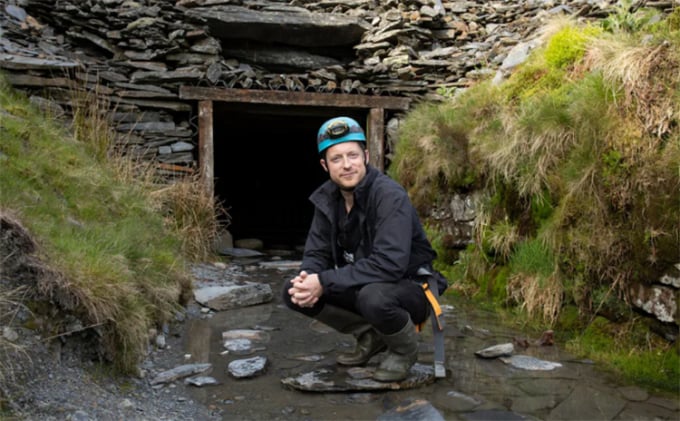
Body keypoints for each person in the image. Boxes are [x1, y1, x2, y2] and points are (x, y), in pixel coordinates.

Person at [282, 116, 448, 382]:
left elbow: (390, 264)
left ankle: (403, 351)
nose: (346, 165)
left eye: (353, 155)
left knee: (374, 297)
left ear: (366, 156)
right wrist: (307, 279)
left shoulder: (389, 196)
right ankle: (370, 336)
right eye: (336, 159)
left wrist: (324, 281)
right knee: (292, 291)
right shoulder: (326, 199)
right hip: (366, 284)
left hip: (410, 287)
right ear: (325, 165)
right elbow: (316, 253)